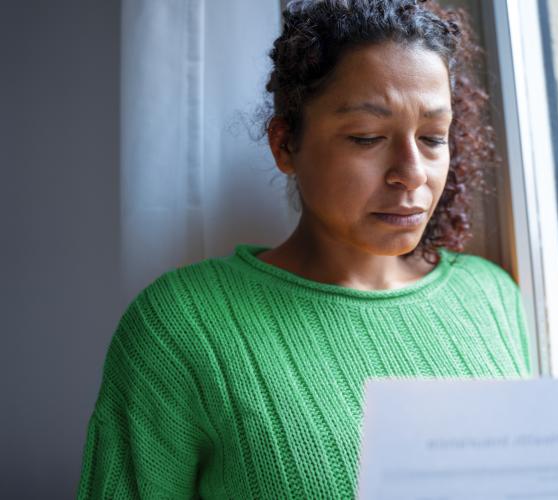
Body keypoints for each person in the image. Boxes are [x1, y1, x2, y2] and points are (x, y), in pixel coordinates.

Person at [77, 0, 532, 498]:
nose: (412, 172)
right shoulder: (180, 326)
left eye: (432, 137)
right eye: (367, 137)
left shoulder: (490, 296)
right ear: (285, 145)